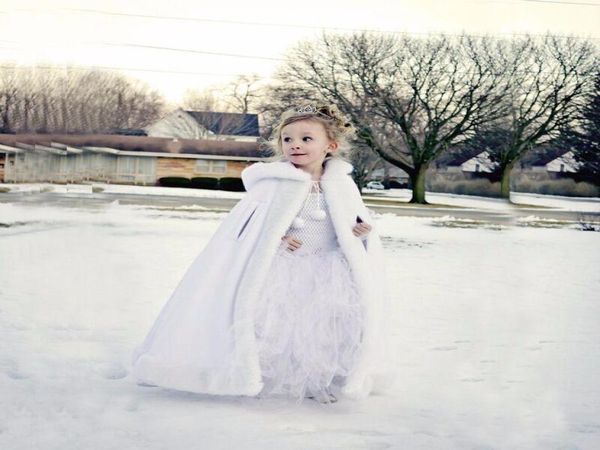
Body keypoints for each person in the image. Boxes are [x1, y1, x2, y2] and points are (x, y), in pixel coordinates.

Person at [131, 104, 393, 404]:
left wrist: (360, 233)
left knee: (321, 328)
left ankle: (317, 381)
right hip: (281, 270)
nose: (295, 145)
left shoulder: (342, 185)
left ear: (330, 146)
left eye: (306, 139)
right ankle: (264, 377)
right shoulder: (272, 183)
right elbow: (247, 229)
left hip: (328, 272)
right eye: (287, 139)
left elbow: (352, 223)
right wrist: (277, 238)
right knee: (274, 325)